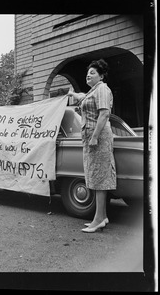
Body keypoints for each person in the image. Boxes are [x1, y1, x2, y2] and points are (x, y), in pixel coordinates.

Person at [68, 59, 116, 233]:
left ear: (101, 76)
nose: (88, 75)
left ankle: (98, 219)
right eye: (87, 73)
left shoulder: (102, 89)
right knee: (95, 177)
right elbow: (83, 97)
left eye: (93, 73)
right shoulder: (93, 91)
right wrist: (73, 95)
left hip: (99, 137)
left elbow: (104, 114)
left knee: (100, 177)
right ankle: (101, 217)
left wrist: (95, 137)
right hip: (91, 138)